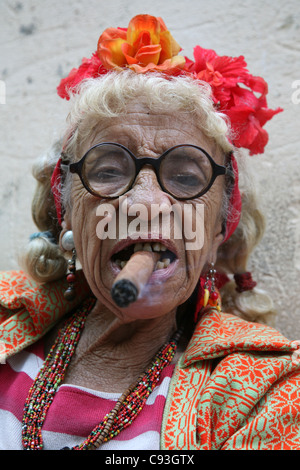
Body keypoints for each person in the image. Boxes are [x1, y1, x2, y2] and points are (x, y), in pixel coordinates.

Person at [0, 14, 299, 451]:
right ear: (65, 212)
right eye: (107, 170)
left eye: (184, 177)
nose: (144, 205)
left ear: (221, 226)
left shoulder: (270, 390)